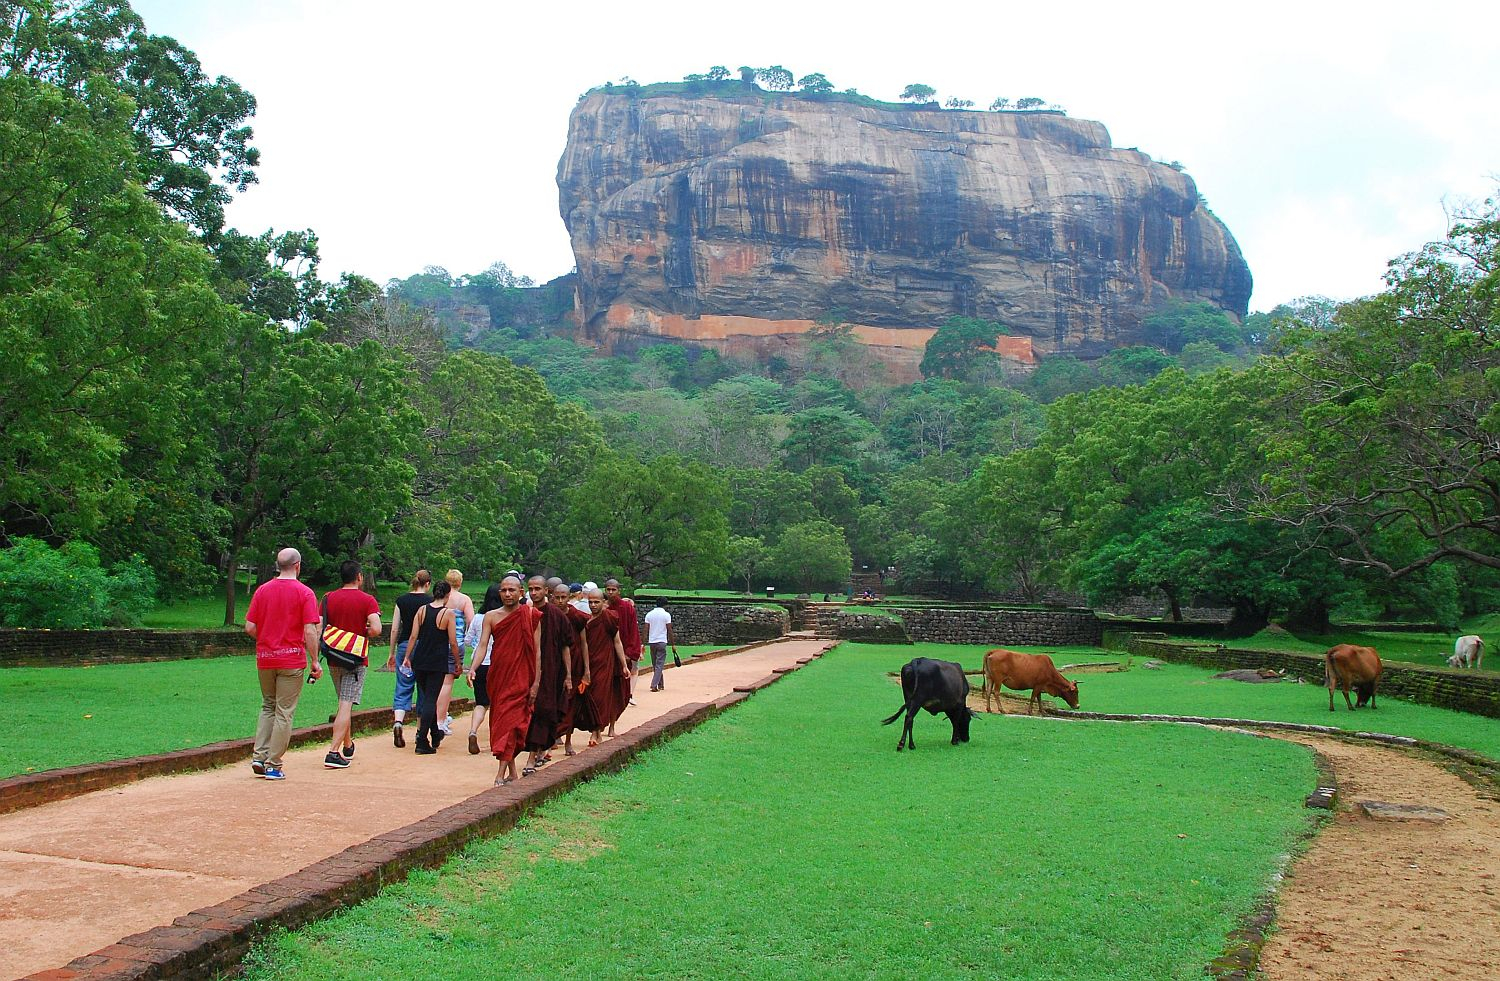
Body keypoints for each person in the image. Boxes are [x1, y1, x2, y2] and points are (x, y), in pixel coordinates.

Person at [244, 547, 321, 780]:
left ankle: (259, 755)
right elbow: (310, 629)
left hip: (266, 658)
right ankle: (273, 764)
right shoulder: (305, 593)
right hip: (291, 658)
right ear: (298, 565)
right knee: (284, 712)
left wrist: (268, 639)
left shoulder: (262, 590)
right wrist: (315, 660)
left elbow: (249, 627)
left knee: (268, 705)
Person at [475, 576, 542, 785]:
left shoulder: (531, 615)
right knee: (502, 723)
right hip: (499, 676)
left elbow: (538, 652)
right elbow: (483, 645)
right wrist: (473, 668)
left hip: (522, 677)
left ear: (520, 593)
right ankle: (512, 771)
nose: (507, 594)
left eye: (512, 590)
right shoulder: (491, 617)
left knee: (512, 722)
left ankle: (500, 773)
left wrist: (536, 683)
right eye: (503, 590)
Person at [320, 560, 382, 769]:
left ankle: (348, 744)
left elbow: (320, 625)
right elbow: (376, 628)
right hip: (355, 659)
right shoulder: (367, 600)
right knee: (346, 703)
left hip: (333, 655)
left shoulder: (328, 598)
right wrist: (364, 632)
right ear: (359, 577)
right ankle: (333, 752)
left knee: (342, 701)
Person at [401, 580, 461, 754]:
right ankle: (421, 739)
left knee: (427, 696)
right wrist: (457, 662)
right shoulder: (447, 614)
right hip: (437, 661)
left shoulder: (422, 610)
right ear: (448, 595)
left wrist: (407, 657)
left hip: (420, 659)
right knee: (430, 700)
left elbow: (413, 637)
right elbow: (453, 642)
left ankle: (435, 733)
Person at [523, 576, 574, 773]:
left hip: (552, 671)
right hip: (527, 670)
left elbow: (565, 647)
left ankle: (532, 756)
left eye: (538, 589)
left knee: (544, 711)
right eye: (531, 589)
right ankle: (536, 751)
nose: (534, 593)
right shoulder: (524, 613)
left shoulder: (556, 615)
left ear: (546, 591)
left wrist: (569, 675)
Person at [385, 570, 431, 748]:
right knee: (423, 687)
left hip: (405, 645)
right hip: (424, 646)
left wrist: (391, 652)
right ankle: (420, 730)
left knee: (403, 684)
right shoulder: (429, 601)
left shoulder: (402, 600)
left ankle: (398, 721)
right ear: (427, 584)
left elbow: (395, 628)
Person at [582, 587, 629, 745]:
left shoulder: (609, 618)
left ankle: (596, 733)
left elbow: (617, 642)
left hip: (605, 663)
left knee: (600, 697)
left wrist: (624, 665)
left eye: (596, 602)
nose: (593, 605)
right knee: (590, 698)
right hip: (589, 664)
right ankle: (595, 730)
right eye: (590, 602)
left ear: (604, 602)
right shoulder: (586, 620)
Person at [462, 583, 503, 754]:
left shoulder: (479, 618)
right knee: (499, 703)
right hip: (498, 664)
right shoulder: (503, 616)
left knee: (481, 703)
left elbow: (467, 639)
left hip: (480, 664)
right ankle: (497, 738)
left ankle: (473, 731)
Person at [554, 580, 592, 756]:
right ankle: (553, 737)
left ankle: (568, 740)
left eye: (563, 597)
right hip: (553, 664)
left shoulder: (577, 617)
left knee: (571, 703)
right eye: (557, 598)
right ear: (552, 598)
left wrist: (586, 669)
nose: (560, 601)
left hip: (575, 663)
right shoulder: (549, 615)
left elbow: (584, 643)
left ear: (569, 598)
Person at [436, 569, 474, 737]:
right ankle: (440, 720)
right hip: (456, 644)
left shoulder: (441, 598)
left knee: (436, 683)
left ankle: (439, 716)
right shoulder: (463, 599)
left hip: (438, 643)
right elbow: (471, 621)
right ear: (460, 582)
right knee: (447, 684)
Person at [605, 578, 642, 705]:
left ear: (618, 591)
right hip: (606, 653)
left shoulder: (627, 608)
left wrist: (630, 653)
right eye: (608, 589)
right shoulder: (603, 607)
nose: (610, 592)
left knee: (621, 688)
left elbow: (633, 631)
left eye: (613, 590)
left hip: (624, 651)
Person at [643, 599, 677, 692]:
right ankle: (654, 685)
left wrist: (643, 643)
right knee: (659, 664)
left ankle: (661, 684)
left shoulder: (649, 614)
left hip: (652, 642)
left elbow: (645, 630)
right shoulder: (666, 615)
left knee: (655, 664)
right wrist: (673, 644)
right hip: (662, 641)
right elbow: (669, 630)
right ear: (665, 605)